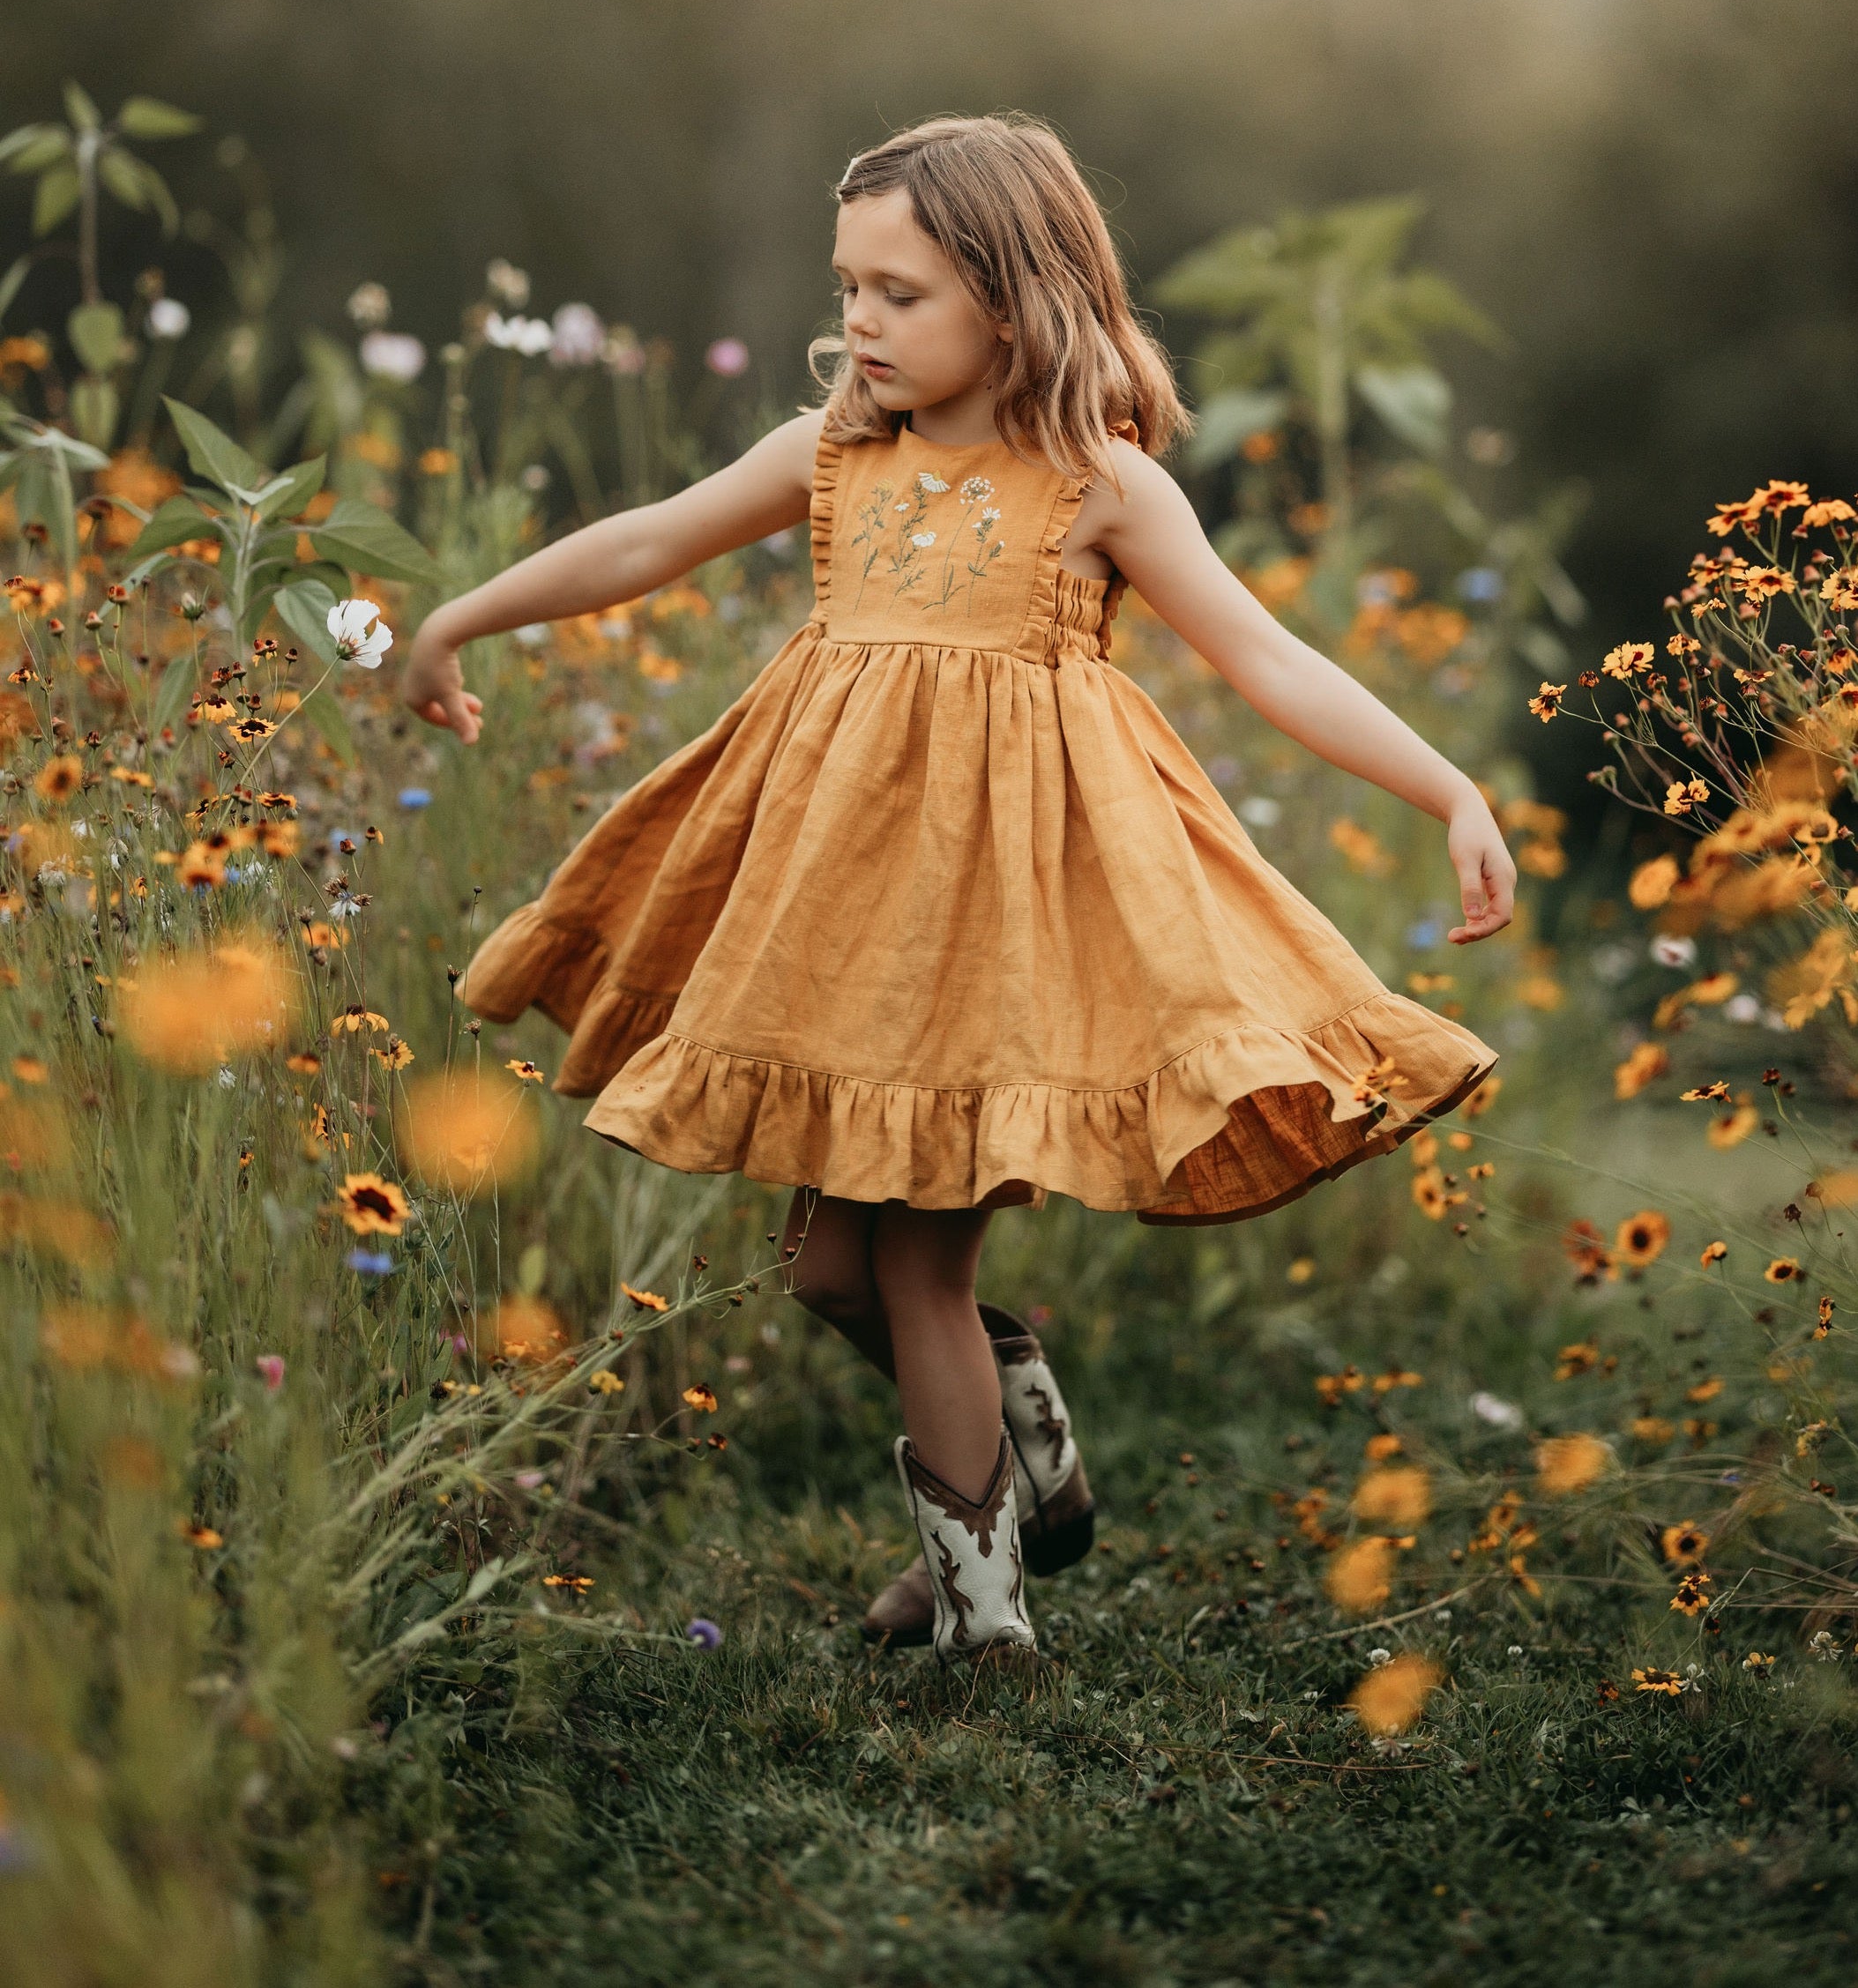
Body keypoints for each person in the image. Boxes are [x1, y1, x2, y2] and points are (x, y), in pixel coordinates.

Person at [400, 113, 1511, 1663]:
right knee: (822, 1262)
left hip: (997, 928)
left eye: (900, 292)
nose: (859, 320)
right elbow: (647, 543)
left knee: (918, 1260)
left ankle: (981, 1621)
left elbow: (1265, 656)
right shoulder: (836, 456)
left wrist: (1447, 787)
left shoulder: (1099, 487)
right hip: (838, 918)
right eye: (848, 284)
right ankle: (1015, 1435)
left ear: (1015, 296)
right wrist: (461, 615)